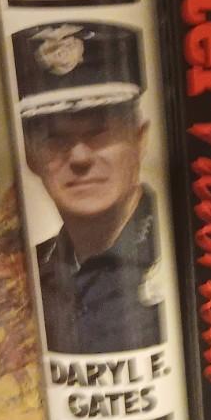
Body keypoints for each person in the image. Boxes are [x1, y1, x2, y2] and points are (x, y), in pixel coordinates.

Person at [13, 21, 163, 354]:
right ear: (31, 157)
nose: (79, 157)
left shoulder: (188, 252)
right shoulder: (21, 274)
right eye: (54, 138)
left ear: (140, 140)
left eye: (100, 131)